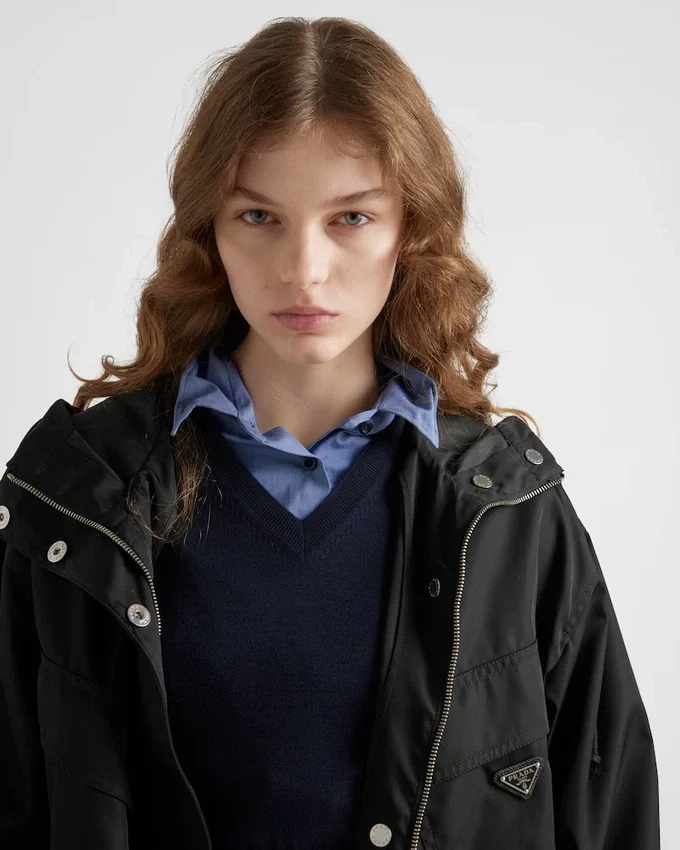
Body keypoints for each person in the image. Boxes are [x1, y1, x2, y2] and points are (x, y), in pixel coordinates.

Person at [0, 15, 660, 850]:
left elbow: (612, 812)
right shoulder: (78, 500)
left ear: (410, 229)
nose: (304, 270)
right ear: (208, 228)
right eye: (258, 216)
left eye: (350, 218)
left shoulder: (510, 511)